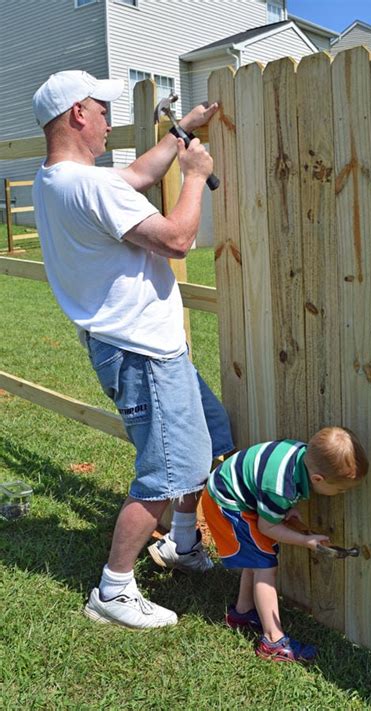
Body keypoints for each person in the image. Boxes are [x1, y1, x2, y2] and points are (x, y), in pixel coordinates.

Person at [31, 70, 234, 630]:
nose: (109, 121)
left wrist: (179, 134)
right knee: (169, 469)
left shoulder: (55, 179)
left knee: (212, 435)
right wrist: (194, 175)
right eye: (101, 110)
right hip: (140, 350)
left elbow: (135, 176)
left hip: (142, 344)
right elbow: (176, 239)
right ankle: (114, 589)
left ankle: (181, 545)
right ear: (77, 114)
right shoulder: (87, 187)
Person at [201, 426, 368, 662]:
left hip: (239, 494)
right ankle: (272, 642)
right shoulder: (281, 486)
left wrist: (285, 509)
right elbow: (266, 527)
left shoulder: (302, 456)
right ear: (318, 479)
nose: (341, 493)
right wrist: (305, 540)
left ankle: (242, 612)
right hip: (226, 501)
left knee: (258, 557)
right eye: (340, 489)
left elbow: (263, 485)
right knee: (265, 565)